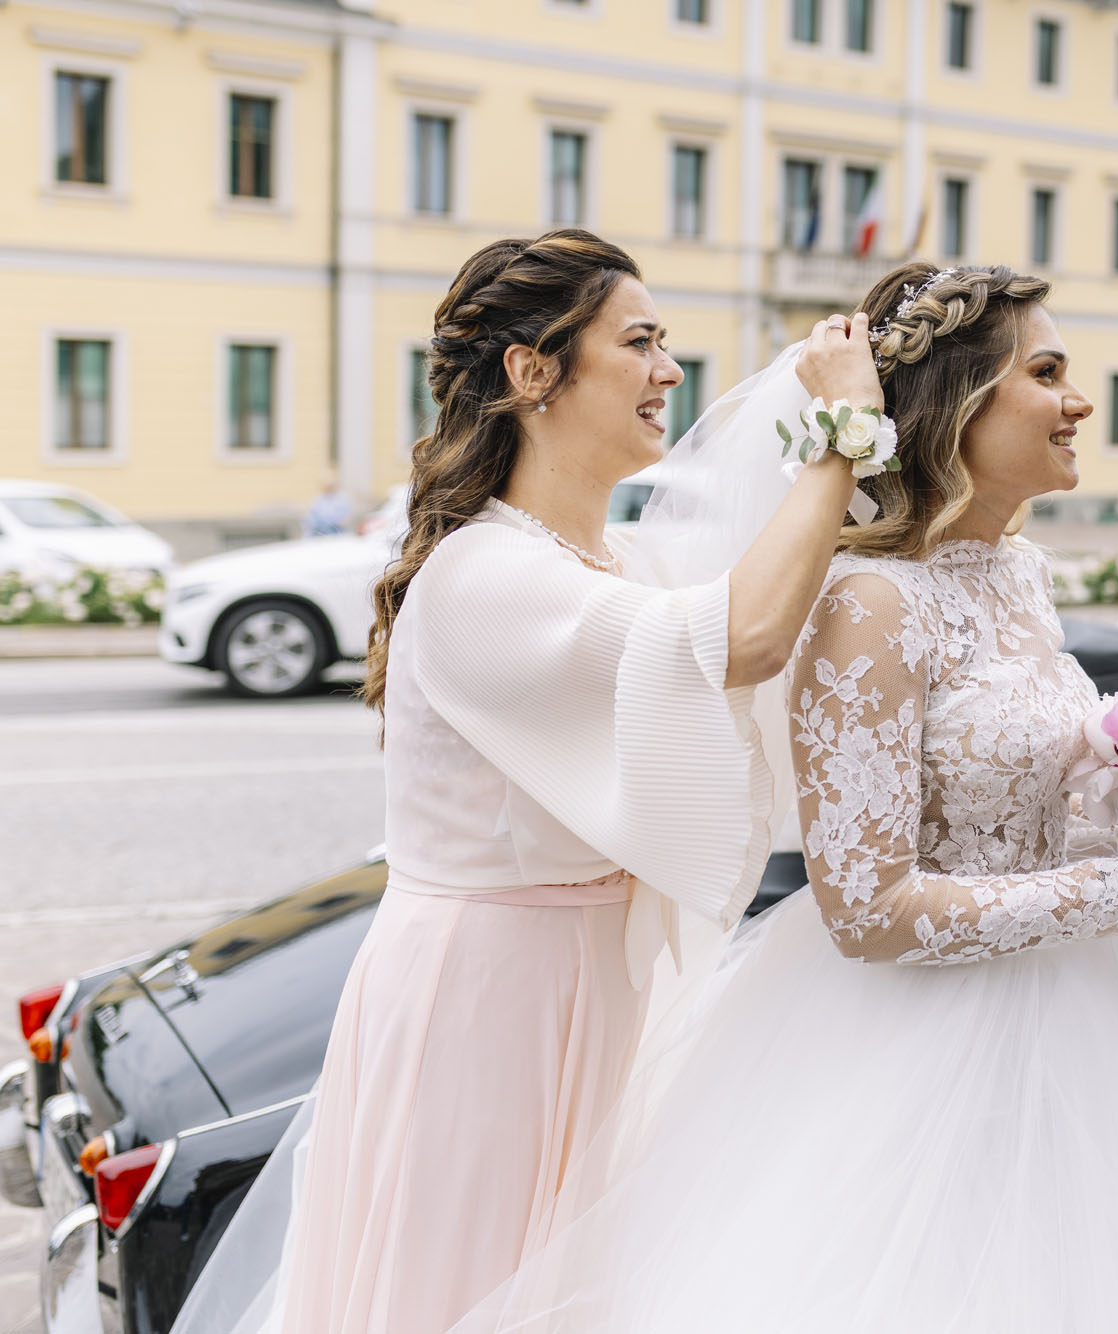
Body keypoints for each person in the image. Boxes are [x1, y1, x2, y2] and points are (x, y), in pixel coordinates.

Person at [444, 262, 1118, 1334]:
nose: (1078, 399)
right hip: (915, 1046)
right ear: (956, 407)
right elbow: (868, 905)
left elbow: (1024, 795)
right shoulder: (870, 602)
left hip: (1091, 1021)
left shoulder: (1016, 571)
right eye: (1047, 371)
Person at [170, 229, 884, 1334]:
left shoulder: (621, 562)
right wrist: (844, 435)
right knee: (470, 1290)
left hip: (593, 984)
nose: (669, 371)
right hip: (486, 997)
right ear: (531, 370)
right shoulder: (481, 575)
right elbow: (737, 638)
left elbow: (762, 649)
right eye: (639, 342)